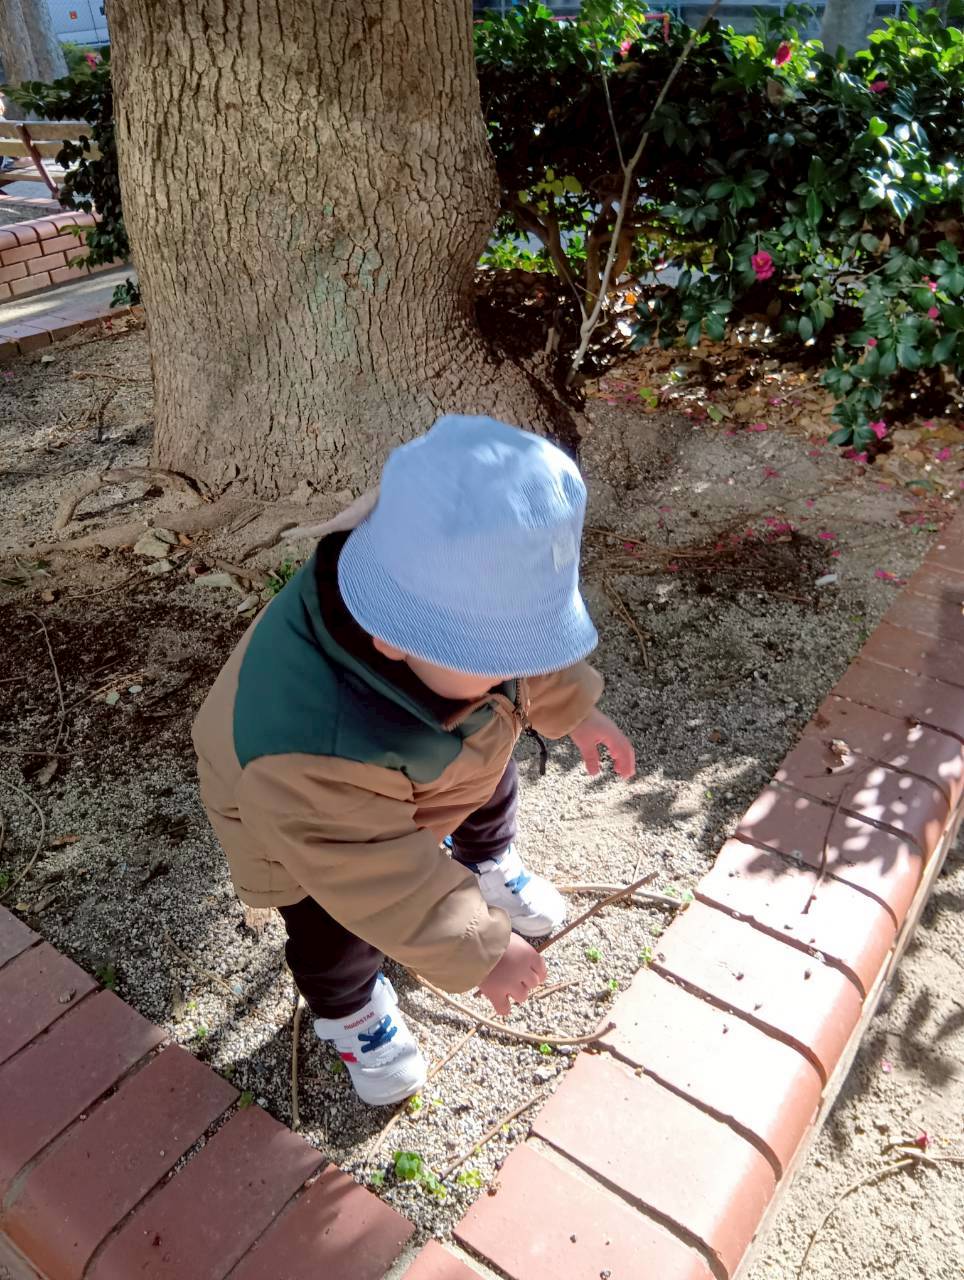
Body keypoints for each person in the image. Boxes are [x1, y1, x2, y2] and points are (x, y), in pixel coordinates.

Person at [193, 414, 634, 1106]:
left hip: (424, 756)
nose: (516, 670)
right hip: (300, 827)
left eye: (530, 648)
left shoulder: (446, 618)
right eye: (499, 657)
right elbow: (373, 872)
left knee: (488, 764)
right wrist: (482, 949)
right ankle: (350, 1013)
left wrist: (575, 707)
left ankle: (486, 862)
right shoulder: (307, 748)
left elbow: (518, 648)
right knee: (336, 924)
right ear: (392, 637)